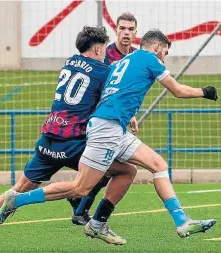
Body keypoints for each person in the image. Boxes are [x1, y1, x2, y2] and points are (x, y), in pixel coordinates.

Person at [0, 29, 218, 245]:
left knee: (154, 165)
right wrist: (205, 92)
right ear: (158, 46)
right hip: (107, 129)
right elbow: (177, 90)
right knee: (80, 188)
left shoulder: (123, 61)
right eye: (166, 52)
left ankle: (179, 222)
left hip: (114, 127)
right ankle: (18, 199)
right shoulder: (150, 58)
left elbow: (114, 92)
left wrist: (128, 114)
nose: (165, 57)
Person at [0, 26, 137, 251]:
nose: (105, 53)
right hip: (74, 143)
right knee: (124, 171)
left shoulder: (69, 62)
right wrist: (129, 114)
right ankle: (91, 215)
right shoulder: (102, 72)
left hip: (49, 139)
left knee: (16, 189)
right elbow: (111, 100)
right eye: (103, 48)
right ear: (96, 48)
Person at [71, 12, 138, 226]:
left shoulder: (135, 56)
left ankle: (80, 206)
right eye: (122, 28)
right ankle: (79, 204)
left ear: (136, 33)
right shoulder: (106, 56)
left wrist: (131, 114)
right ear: (116, 30)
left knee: (111, 167)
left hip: (116, 119)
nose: (126, 32)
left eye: (130, 29)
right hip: (98, 118)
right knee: (109, 166)